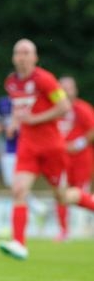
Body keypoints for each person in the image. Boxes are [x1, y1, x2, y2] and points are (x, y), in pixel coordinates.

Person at [0, 39, 94, 260]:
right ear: (13, 58)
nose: (21, 57)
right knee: (18, 190)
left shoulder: (46, 80)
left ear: (35, 57)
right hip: (28, 147)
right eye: (18, 53)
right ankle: (19, 244)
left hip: (52, 147)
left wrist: (34, 119)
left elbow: (64, 106)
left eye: (26, 53)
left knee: (61, 197)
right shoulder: (11, 82)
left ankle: (88, 200)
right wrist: (14, 123)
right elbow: (18, 108)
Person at [0, 96, 48, 220]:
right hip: (9, 150)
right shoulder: (1, 103)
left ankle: (32, 211)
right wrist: (6, 128)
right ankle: (34, 207)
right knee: (12, 184)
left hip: (28, 149)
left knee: (20, 186)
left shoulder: (31, 101)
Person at [56, 76, 94, 241]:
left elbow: (92, 131)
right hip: (60, 159)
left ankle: (85, 229)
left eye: (69, 87)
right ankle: (64, 231)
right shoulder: (54, 109)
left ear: (75, 90)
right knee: (60, 193)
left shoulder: (83, 108)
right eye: (62, 87)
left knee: (80, 194)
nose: (65, 91)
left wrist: (77, 144)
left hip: (81, 159)